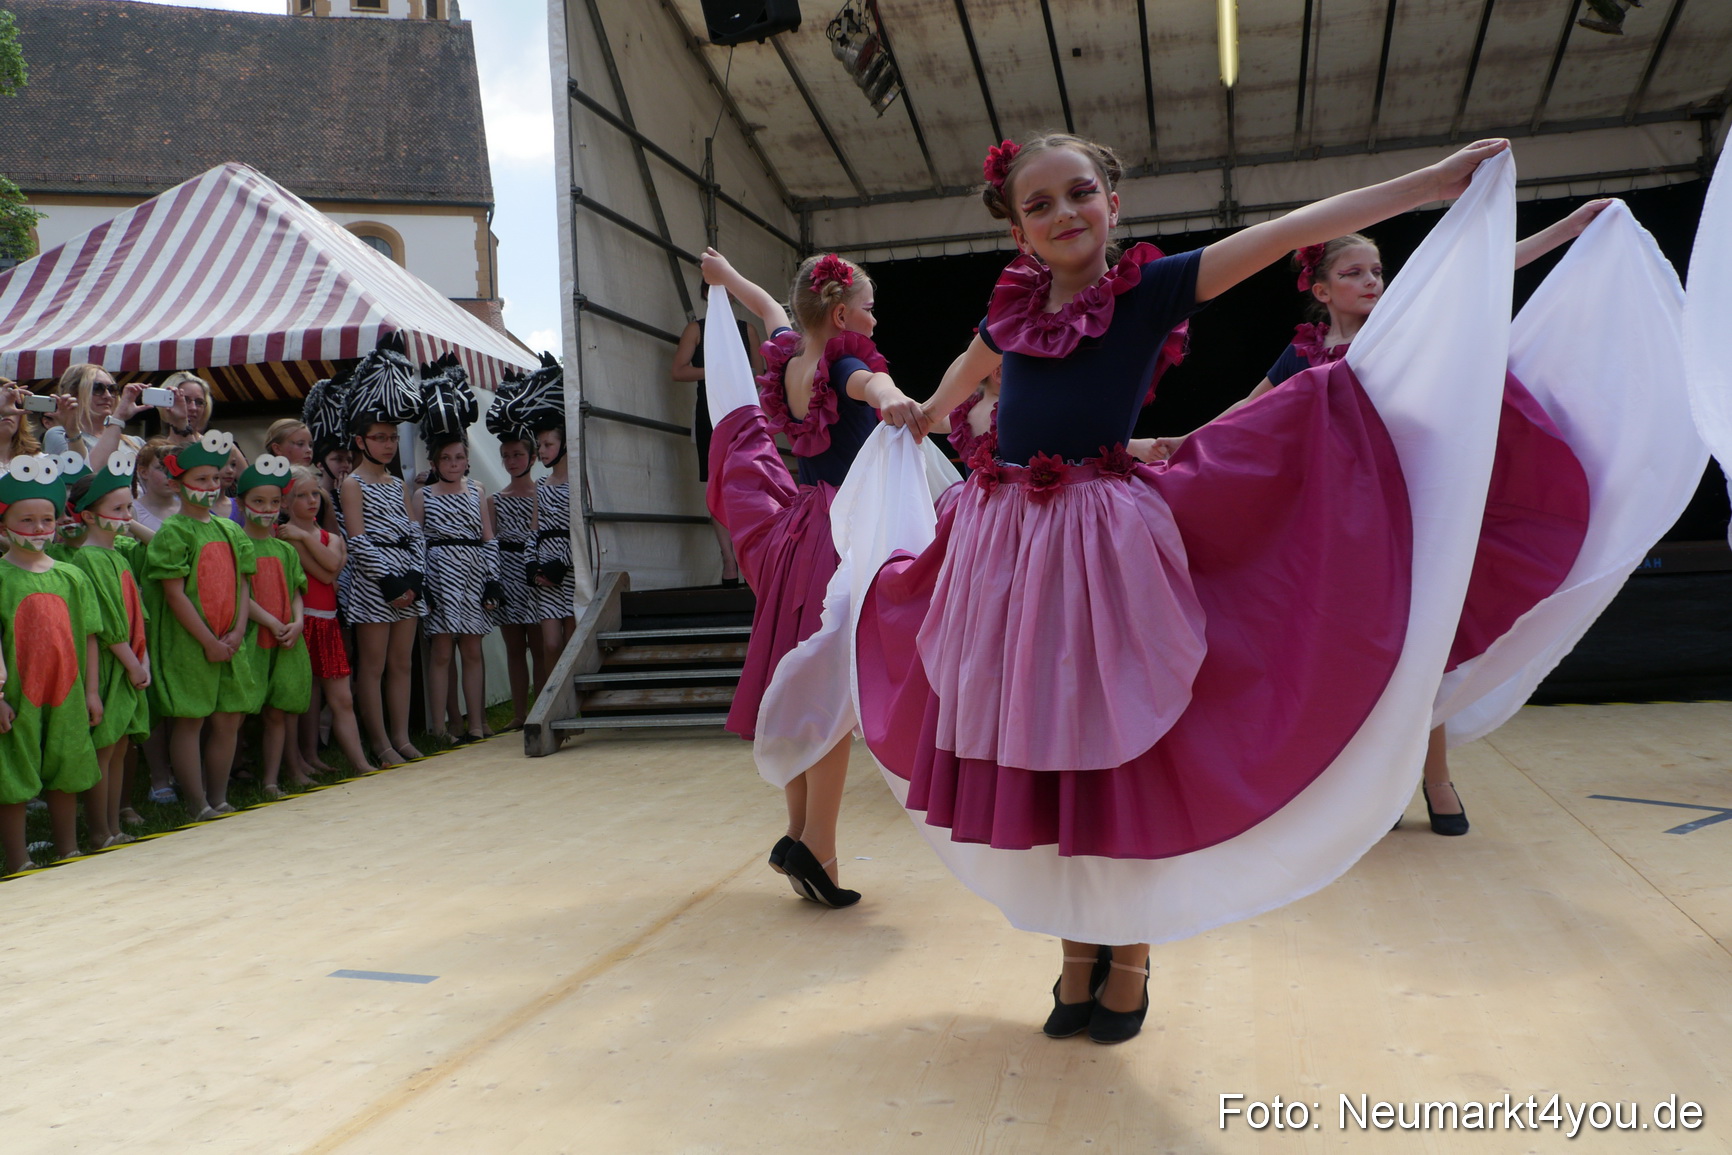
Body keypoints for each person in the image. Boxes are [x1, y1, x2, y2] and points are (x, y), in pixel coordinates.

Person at [836, 132, 1513, 1043]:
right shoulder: (1013, 307)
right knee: (1043, 756)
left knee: (1116, 753)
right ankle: (1077, 951)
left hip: (1098, 545)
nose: (1063, 214)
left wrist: (1430, 182)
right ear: (1018, 229)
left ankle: (1133, 953)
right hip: (1006, 548)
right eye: (1039, 205)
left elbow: (1289, 230)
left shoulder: (1148, 291)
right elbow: (973, 366)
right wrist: (925, 407)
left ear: (1113, 203)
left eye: (1080, 193)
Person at [1156, 204, 1609, 835]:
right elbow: (1244, 413)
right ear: (1321, 290)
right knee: (1363, 655)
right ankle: (1380, 784)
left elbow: (1475, 275)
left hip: (1406, 516)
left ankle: (1437, 778)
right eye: (1355, 272)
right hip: (1335, 531)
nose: (1373, 281)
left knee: (1422, 648)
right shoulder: (1303, 356)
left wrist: (1567, 230)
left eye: (1378, 270)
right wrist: (1180, 442)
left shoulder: (1400, 331)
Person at [698, 248, 927, 908]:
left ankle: (798, 831)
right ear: (842, 311)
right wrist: (896, 399)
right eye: (870, 305)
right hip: (842, 532)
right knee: (833, 694)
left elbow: (770, 307)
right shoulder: (845, 363)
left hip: (800, 533)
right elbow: (870, 386)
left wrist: (726, 275)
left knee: (806, 682)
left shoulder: (790, 357)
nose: (876, 316)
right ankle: (818, 845)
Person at [143, 431, 256, 820]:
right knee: (190, 720)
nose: (210, 488)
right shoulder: (173, 533)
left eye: (214, 479)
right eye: (200, 480)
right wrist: (208, 641)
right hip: (191, 644)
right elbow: (175, 594)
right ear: (178, 484)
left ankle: (219, 796)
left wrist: (238, 631)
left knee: (228, 719)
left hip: (229, 639)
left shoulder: (230, 530)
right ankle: (196, 802)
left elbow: (243, 583)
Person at [0, 454, 103, 872]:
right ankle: (19, 858)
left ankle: (68, 849)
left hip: (68, 693)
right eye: (28, 521)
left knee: (68, 765)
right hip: (17, 696)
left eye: (47, 519)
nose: (40, 529)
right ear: (4, 524)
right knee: (13, 775)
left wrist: (92, 692)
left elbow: (91, 636)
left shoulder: (72, 576)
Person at [338, 337, 428, 768]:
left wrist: (413, 578)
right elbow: (356, 541)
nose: (389, 445)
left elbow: (414, 532)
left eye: (393, 437)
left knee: (402, 665)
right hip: (375, 585)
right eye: (380, 437)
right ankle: (380, 744)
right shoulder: (352, 484)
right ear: (361, 440)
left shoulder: (397, 484)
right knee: (371, 668)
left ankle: (401, 736)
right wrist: (390, 582)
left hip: (406, 582)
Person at [65, 452, 152, 849]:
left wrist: (143, 658)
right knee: (104, 749)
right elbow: (103, 624)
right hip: (112, 665)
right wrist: (133, 663)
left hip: (131, 663)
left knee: (119, 747)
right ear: (87, 515)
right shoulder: (88, 557)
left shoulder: (118, 553)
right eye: (117, 509)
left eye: (129, 507)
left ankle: (114, 825)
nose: (126, 516)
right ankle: (99, 831)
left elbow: (136, 615)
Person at [279, 465, 376, 775]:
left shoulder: (327, 537)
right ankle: (302, 761)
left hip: (328, 623)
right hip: (302, 621)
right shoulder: (286, 538)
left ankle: (360, 763)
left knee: (342, 697)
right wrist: (307, 543)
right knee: (300, 699)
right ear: (285, 503)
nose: (311, 501)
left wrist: (306, 539)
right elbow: (326, 573)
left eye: (315, 494)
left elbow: (331, 566)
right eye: (301, 496)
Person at [413, 433, 501, 744]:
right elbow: (418, 542)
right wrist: (422, 584)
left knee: (473, 650)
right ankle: (440, 728)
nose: (453, 464)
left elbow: (488, 536)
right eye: (446, 458)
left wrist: (493, 579)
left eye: (459, 458)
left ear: (467, 461)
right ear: (434, 463)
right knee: (441, 652)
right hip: (439, 575)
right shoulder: (423, 496)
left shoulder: (477, 490)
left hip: (474, 573)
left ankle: (476, 724)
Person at [235, 456, 312, 796]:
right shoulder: (237, 546)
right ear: (242, 504)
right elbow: (239, 597)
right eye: (258, 502)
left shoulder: (285, 549)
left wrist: (297, 621)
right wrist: (270, 621)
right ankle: (225, 780)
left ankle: (270, 780)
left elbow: (296, 592)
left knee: (278, 712)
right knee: (236, 714)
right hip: (252, 638)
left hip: (285, 640)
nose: (267, 509)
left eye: (274, 502)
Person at [672, 313, 764, 586]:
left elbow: (761, 374)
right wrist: (715, 371)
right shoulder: (696, 328)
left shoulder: (747, 329)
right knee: (717, 485)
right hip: (710, 413)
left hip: (743, 409)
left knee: (747, 483)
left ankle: (749, 558)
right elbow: (678, 370)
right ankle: (728, 561)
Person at [485, 427, 544, 730]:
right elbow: (491, 540)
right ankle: (519, 713)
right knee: (514, 647)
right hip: (508, 575)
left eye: (518, 454)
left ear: (532, 456)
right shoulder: (495, 499)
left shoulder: (542, 493)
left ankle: (542, 710)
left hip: (532, 574)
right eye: (506, 456)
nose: (512, 461)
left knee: (540, 645)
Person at [130, 438, 181, 543]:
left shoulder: (189, 508)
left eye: (173, 467)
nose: (169, 475)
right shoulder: (132, 512)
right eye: (161, 468)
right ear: (144, 472)